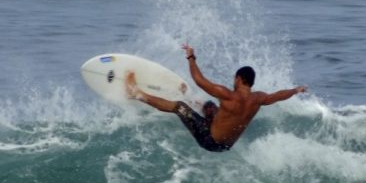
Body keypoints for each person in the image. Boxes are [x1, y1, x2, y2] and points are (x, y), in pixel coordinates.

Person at [125, 44, 307, 152]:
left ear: (238, 79)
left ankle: (137, 94)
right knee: (211, 106)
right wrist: (295, 90)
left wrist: (191, 57)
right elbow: (279, 95)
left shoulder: (228, 95)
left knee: (179, 107)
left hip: (209, 140)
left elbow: (199, 80)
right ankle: (192, 100)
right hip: (226, 146)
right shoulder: (259, 98)